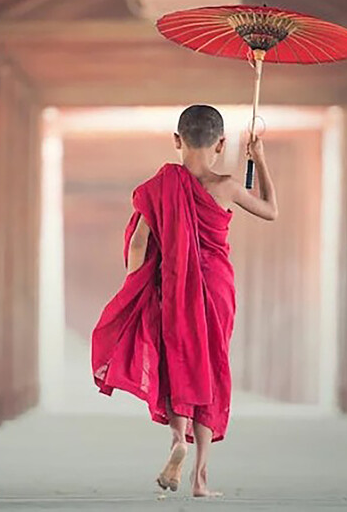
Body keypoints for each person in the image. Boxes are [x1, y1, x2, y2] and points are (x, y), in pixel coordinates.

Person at [91, 104, 278, 498]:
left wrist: (136, 285)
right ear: (221, 144)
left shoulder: (160, 187)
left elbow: (139, 241)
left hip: (174, 286)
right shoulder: (227, 186)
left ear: (177, 140)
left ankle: (178, 439)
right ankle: (200, 478)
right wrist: (259, 159)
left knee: (177, 361)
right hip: (217, 288)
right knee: (211, 366)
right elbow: (270, 210)